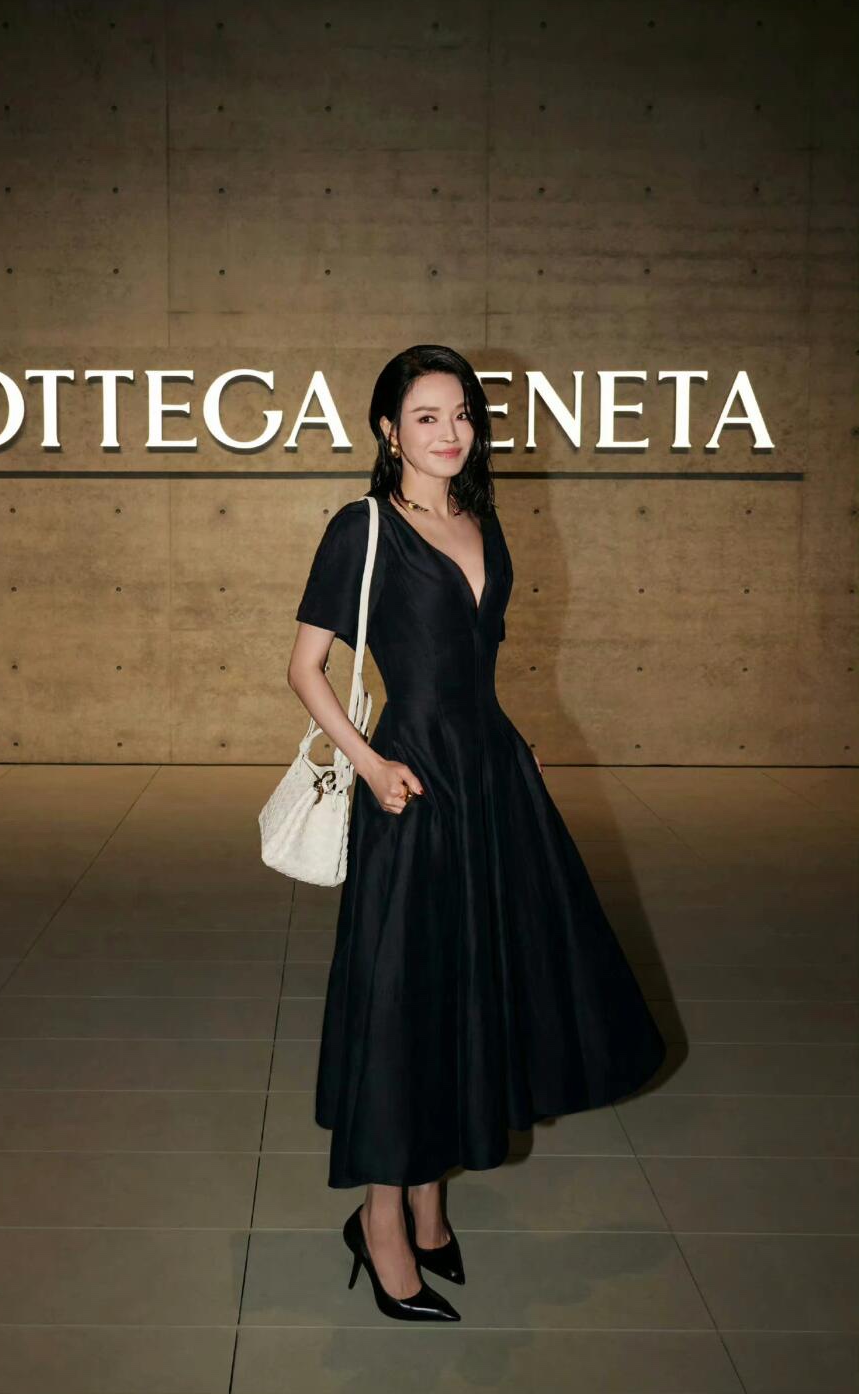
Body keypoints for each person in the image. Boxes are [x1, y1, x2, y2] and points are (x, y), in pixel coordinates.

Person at [286, 344, 668, 1323]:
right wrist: (370, 766)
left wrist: (513, 742)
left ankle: (428, 1200)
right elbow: (304, 668)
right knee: (404, 998)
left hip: (488, 772)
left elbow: (473, 663)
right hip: (409, 782)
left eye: (461, 413)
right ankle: (379, 1222)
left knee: (467, 983)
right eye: (426, 415)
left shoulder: (479, 517)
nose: (450, 431)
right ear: (388, 431)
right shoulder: (363, 526)